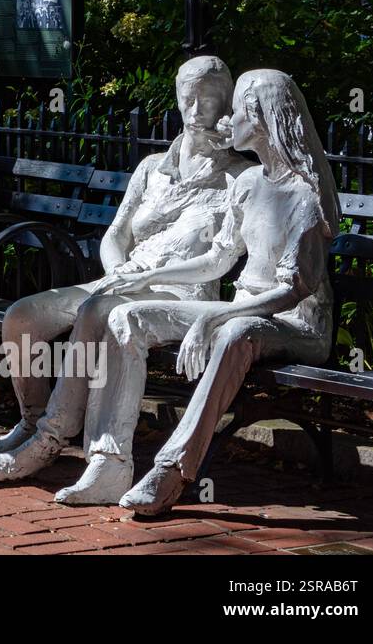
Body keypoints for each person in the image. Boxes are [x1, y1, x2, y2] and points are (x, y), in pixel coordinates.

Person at [0, 56, 253, 504]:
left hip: (180, 293)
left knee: (102, 311)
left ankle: (62, 445)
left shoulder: (240, 176)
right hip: (122, 279)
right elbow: (116, 234)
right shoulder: (152, 168)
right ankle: (33, 420)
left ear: (227, 103)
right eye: (188, 97)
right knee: (23, 316)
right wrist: (118, 269)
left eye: (210, 98)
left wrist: (139, 278)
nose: (197, 108)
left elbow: (219, 261)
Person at [93, 69, 339, 515]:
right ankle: (108, 461)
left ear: (260, 118)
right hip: (244, 311)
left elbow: (292, 290)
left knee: (233, 332)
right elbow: (219, 260)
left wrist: (213, 317)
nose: (227, 119)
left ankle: (171, 470)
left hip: (296, 324)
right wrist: (145, 280)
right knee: (127, 316)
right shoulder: (248, 184)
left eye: (238, 110)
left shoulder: (306, 195)